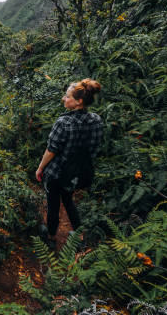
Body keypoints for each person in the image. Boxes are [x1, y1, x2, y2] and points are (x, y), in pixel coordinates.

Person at [35, 78, 103, 246]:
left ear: (79, 101)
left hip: (57, 172)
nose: (64, 99)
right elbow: (94, 149)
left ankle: (51, 237)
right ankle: (79, 237)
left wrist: (40, 168)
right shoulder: (96, 120)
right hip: (76, 174)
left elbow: (51, 150)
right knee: (68, 200)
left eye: (67, 96)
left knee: (53, 204)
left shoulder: (64, 122)